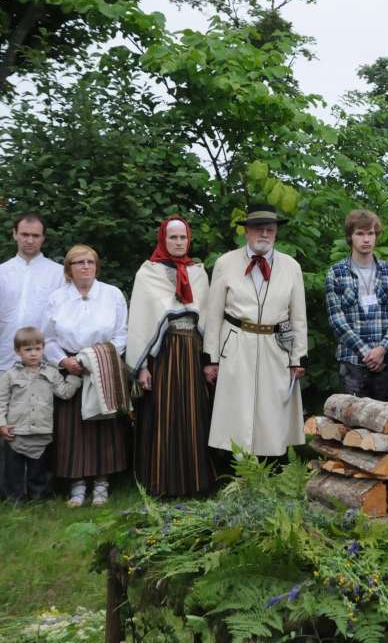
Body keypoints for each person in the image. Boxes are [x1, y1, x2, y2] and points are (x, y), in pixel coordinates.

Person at [203, 204, 307, 457]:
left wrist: (298, 357)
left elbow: (298, 317)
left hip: (276, 344)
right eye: (258, 229)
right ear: (246, 232)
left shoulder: (291, 266)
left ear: (276, 234)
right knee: (236, 408)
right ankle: (236, 466)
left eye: (270, 230)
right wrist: (210, 357)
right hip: (237, 342)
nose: (264, 234)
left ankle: (271, 464)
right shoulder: (225, 263)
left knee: (272, 408)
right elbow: (213, 314)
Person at [126, 216, 217, 496]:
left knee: (194, 413)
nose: (178, 243)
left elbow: (210, 318)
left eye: (183, 238)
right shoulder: (148, 272)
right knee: (162, 413)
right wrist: (142, 368)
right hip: (162, 354)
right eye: (173, 238)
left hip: (192, 351)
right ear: (163, 239)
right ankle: (161, 481)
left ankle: (196, 482)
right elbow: (140, 320)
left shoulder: (199, 273)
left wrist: (209, 359)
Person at [44, 244, 129, 507]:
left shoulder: (112, 294)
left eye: (90, 262)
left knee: (102, 427)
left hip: (102, 366)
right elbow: (47, 339)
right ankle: (77, 485)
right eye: (79, 262)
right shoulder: (57, 298)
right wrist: (64, 360)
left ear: (96, 266)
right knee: (72, 430)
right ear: (68, 270)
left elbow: (122, 334)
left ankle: (102, 484)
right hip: (71, 369)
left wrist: (99, 358)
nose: (85, 267)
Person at [325, 210, 388, 400]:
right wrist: (366, 352)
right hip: (352, 364)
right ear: (350, 237)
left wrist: (381, 349)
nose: (366, 239)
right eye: (360, 233)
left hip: (386, 363)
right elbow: (337, 320)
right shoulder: (336, 273)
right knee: (353, 426)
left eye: (370, 233)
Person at [0, 327, 81, 500]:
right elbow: (2, 402)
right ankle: (14, 499)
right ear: (17, 351)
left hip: (41, 431)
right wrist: (2, 424)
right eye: (28, 350)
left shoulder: (51, 373)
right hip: (15, 431)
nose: (33, 354)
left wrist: (76, 377)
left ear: (43, 349)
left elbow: (65, 392)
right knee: (13, 469)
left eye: (37, 349)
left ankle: (39, 498)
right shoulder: (9, 376)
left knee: (39, 469)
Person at [0, 213, 65, 372]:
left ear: (43, 238)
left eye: (35, 235)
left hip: (44, 365)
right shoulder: (2, 272)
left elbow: (64, 321)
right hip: (4, 360)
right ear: (14, 234)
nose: (30, 240)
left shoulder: (59, 274)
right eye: (24, 234)